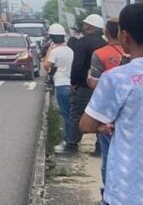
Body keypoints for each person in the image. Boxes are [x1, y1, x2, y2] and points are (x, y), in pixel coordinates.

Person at [80, 3, 143, 205]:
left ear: (125, 36)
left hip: (127, 191)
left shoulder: (116, 78)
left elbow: (86, 125)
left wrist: (102, 126)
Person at [87, 18, 129, 193]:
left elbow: (92, 82)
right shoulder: (135, 54)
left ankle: (108, 191)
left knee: (108, 156)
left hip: (106, 115)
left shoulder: (100, 54)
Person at [69, 14, 107, 151]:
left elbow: (77, 65)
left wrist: (73, 82)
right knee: (100, 115)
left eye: (85, 24)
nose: (83, 27)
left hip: (83, 86)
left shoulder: (82, 42)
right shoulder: (105, 44)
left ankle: (72, 143)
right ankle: (99, 146)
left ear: (89, 27)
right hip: (101, 87)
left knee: (77, 114)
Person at [43, 23, 76, 153]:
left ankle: (69, 141)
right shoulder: (70, 50)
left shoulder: (55, 51)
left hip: (61, 85)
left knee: (65, 114)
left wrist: (49, 51)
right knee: (70, 113)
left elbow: (46, 66)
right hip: (70, 84)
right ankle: (71, 139)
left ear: (52, 37)